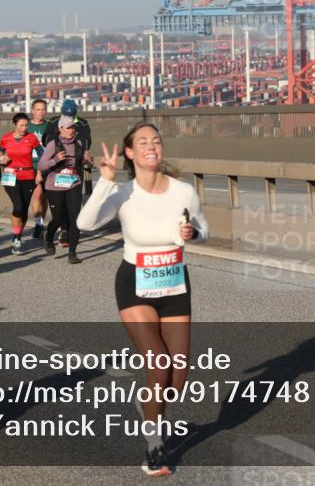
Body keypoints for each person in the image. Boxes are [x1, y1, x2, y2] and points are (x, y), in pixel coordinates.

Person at [77, 122, 208, 475]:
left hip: (175, 285)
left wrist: (193, 232)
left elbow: (205, 229)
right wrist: (105, 180)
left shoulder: (183, 191)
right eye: (143, 142)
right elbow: (85, 224)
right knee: (159, 366)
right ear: (131, 153)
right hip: (135, 283)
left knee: (176, 381)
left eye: (157, 141)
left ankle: (147, 405)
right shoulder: (123, 192)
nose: (152, 146)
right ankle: (155, 445)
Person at [37, 116, 92, 264]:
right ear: (60, 129)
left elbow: (82, 164)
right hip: (54, 186)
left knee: (76, 220)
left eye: (73, 127)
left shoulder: (79, 143)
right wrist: (55, 160)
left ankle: (72, 253)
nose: (71, 130)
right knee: (59, 219)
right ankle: (49, 236)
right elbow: (41, 166)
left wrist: (87, 161)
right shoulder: (53, 144)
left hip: (73, 184)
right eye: (68, 127)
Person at [0, 113, 42, 255]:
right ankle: (15, 238)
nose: (24, 128)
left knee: (24, 210)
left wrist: (39, 173)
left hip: (28, 176)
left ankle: (18, 236)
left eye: (26, 125)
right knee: (18, 206)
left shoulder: (31, 138)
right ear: (14, 125)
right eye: (21, 125)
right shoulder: (6, 138)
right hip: (11, 175)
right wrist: (2, 157)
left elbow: (42, 155)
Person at [27, 99, 50, 239]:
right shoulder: (26, 126)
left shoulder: (50, 126)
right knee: (37, 195)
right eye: (38, 109)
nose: (41, 112)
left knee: (44, 197)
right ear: (32, 111)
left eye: (43, 109)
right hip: (30, 165)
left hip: (47, 165)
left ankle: (41, 223)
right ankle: (38, 224)